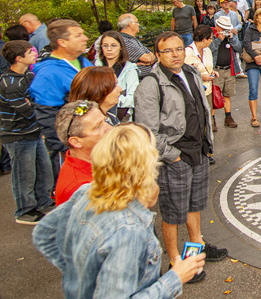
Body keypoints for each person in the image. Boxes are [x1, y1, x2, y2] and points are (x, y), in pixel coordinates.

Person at [33, 124, 206, 297]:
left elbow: (43, 233)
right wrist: (176, 277)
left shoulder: (87, 191)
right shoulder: (128, 231)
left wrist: (80, 277)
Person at [134, 31, 226, 281]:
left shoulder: (191, 73)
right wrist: (173, 156)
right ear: (157, 54)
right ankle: (175, 261)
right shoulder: (150, 85)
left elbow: (201, 109)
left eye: (178, 49)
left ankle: (197, 246)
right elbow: (148, 132)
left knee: (195, 204)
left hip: (199, 151)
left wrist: (208, 143)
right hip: (175, 156)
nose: (175, 55)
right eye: (167, 51)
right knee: (173, 211)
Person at [29, 19, 91, 181]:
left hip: (92, 142)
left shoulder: (84, 62)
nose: (85, 38)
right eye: (78, 35)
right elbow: (48, 118)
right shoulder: (48, 73)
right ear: (62, 42)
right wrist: (64, 150)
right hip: (73, 150)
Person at [0, 40, 54, 224]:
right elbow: (29, 111)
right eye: (30, 51)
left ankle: (43, 201)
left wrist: (36, 102)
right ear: (19, 58)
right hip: (17, 134)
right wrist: (36, 103)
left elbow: (39, 98)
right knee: (24, 173)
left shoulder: (28, 75)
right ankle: (25, 210)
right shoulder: (9, 83)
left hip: (33, 131)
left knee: (43, 169)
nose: (34, 53)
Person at [52, 100, 113, 205]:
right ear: (76, 142)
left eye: (105, 121)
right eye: (98, 126)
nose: (110, 128)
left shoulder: (98, 160)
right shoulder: (81, 189)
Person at [93, 31, 139, 122]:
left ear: (121, 47)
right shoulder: (94, 67)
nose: (109, 49)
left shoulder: (129, 69)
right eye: (105, 46)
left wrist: (110, 100)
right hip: (96, 115)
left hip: (121, 117)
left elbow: (134, 98)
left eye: (113, 45)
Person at [209, 16, 243, 128]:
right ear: (217, 26)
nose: (224, 31)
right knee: (215, 95)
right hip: (217, 70)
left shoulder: (231, 37)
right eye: (223, 28)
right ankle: (212, 119)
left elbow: (239, 48)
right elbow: (209, 49)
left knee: (227, 95)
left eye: (226, 29)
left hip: (229, 69)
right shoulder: (212, 36)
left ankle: (228, 117)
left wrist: (232, 38)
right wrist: (219, 39)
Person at [184, 25, 217, 138]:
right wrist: (201, 77)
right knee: (197, 120)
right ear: (204, 39)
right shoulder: (188, 53)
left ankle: (207, 144)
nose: (212, 41)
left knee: (208, 119)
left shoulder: (207, 51)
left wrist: (213, 72)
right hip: (194, 92)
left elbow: (208, 66)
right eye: (211, 38)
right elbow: (184, 73)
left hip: (207, 90)